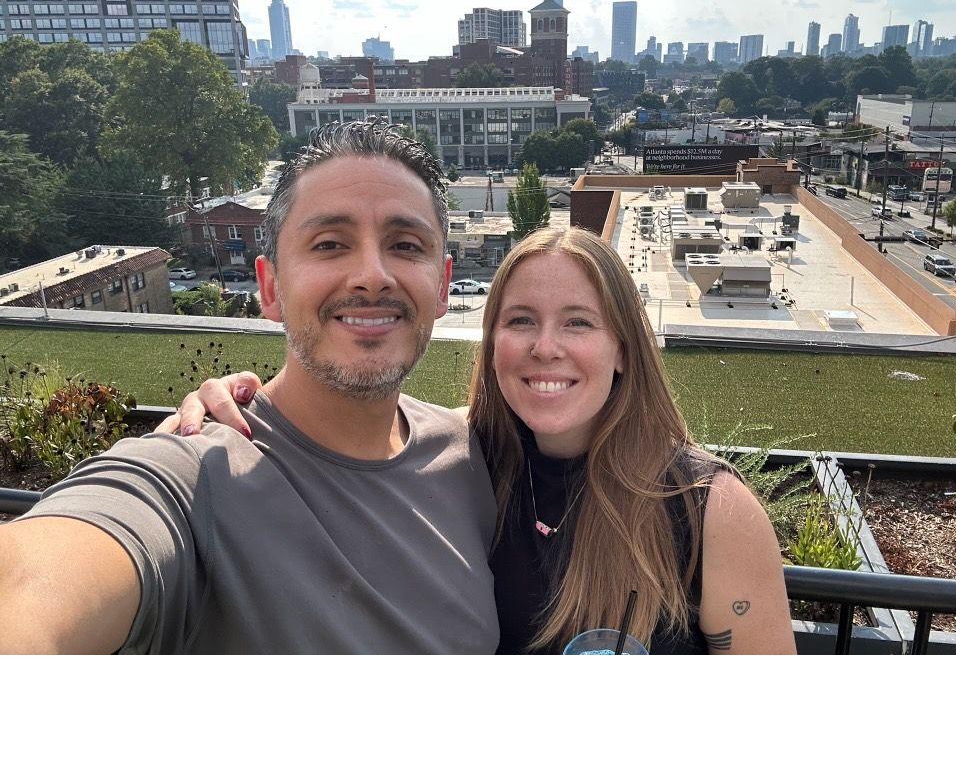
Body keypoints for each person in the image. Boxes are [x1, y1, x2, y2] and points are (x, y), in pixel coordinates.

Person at [171, 227, 796, 655]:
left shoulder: (706, 508)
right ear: (492, 341)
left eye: (577, 322)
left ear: (624, 350)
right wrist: (234, 412)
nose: (544, 347)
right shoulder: (459, 460)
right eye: (520, 320)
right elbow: (345, 437)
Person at [0, 120, 499, 654]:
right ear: (271, 287)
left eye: (405, 244)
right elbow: (31, 582)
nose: (372, 274)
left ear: (443, 285)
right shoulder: (197, 478)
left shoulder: (470, 453)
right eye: (330, 244)